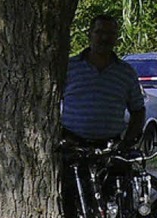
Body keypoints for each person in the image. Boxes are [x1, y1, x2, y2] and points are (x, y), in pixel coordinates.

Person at [61, 14, 145, 146]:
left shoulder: (126, 72)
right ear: (90, 34)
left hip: (110, 150)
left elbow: (138, 110)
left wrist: (128, 142)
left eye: (110, 33)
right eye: (99, 32)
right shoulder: (69, 67)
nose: (105, 38)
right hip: (72, 147)